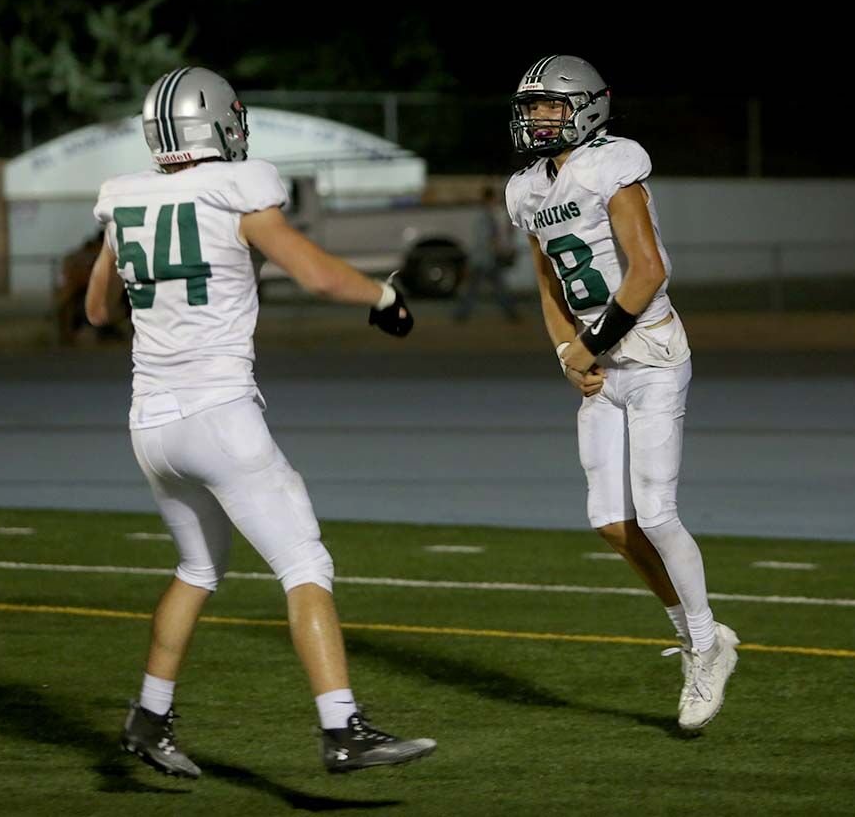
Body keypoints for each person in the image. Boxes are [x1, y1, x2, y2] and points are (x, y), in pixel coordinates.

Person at [86, 67, 434, 777]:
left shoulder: (124, 199)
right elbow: (317, 275)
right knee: (304, 562)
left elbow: (95, 311)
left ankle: (148, 718)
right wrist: (383, 296)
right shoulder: (236, 188)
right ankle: (342, 728)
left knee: (197, 567)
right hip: (218, 413)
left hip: (150, 420)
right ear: (215, 124)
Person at [506, 55, 739, 731]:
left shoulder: (614, 162)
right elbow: (549, 284)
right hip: (601, 369)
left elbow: (646, 271)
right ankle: (703, 634)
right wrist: (564, 353)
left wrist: (589, 343)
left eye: (550, 105)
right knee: (611, 521)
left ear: (587, 107)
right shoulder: (525, 189)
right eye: (532, 107)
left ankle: (702, 649)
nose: (538, 118)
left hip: (652, 357)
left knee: (658, 514)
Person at [453, 185, 519, 322]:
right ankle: (511, 313)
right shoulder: (486, 216)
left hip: (479, 259)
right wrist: (500, 249)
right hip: (485, 259)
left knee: (474, 288)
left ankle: (462, 314)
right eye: (494, 198)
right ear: (490, 199)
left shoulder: (482, 215)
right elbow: (487, 238)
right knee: (498, 287)